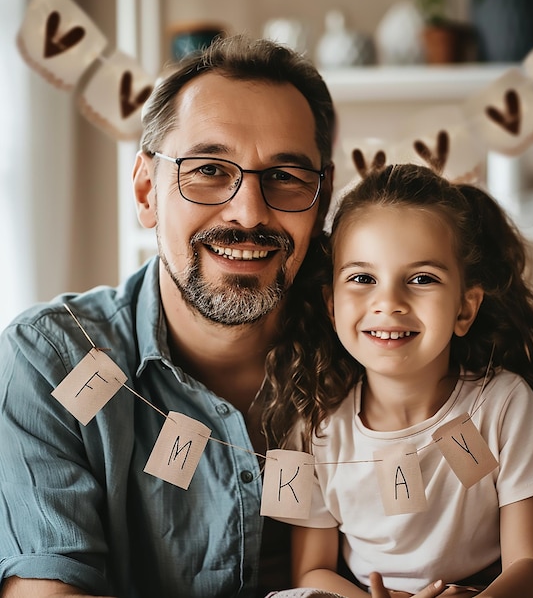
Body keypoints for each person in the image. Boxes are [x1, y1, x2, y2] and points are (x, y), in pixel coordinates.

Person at [0, 34, 336, 598]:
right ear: (146, 189)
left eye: (285, 176)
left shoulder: (381, 347)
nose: (249, 212)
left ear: (320, 204)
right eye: (208, 169)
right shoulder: (50, 362)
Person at [269, 163, 533, 598]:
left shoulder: (504, 403)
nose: (389, 303)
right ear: (332, 305)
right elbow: (311, 571)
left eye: (421, 279)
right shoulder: (313, 425)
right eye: (362, 278)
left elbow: (530, 564)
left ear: (464, 309)